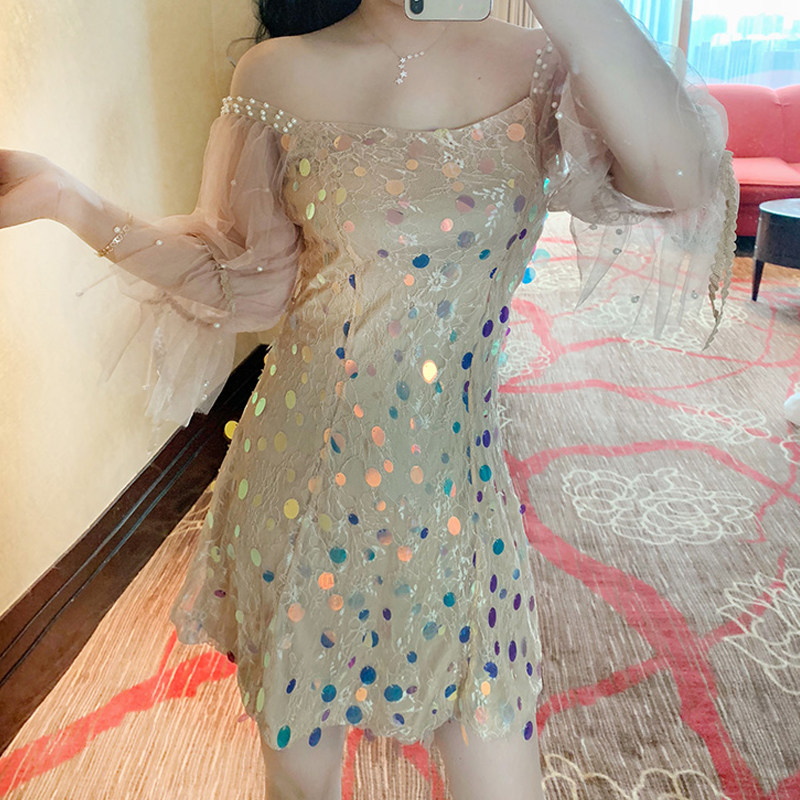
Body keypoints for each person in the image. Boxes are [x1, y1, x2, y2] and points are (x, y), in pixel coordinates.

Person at [0, 0, 738, 798]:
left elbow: (682, 177)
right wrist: (70, 201)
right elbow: (245, 285)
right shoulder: (277, 74)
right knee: (301, 784)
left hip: (459, 499)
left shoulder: (541, 65)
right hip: (299, 491)